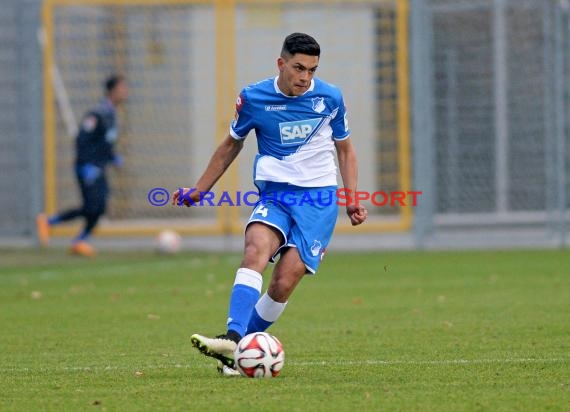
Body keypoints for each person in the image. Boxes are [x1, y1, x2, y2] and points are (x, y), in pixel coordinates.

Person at [172, 33, 367, 375]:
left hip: (319, 201)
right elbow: (231, 145)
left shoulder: (330, 98)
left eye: (312, 70)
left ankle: (240, 350)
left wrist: (352, 199)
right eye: (298, 68)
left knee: (282, 283)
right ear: (281, 63)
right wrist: (200, 189)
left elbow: (346, 149)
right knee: (254, 250)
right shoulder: (253, 98)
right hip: (275, 195)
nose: (305, 77)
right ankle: (233, 338)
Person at [36, 75, 129, 257]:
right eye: (122, 88)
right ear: (111, 91)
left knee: (98, 207)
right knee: (93, 206)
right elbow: (82, 140)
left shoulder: (112, 114)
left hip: (100, 167)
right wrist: (86, 165)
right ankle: (49, 222)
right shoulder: (97, 114)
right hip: (88, 167)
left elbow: (104, 142)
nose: (125, 92)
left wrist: (112, 158)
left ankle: (78, 240)